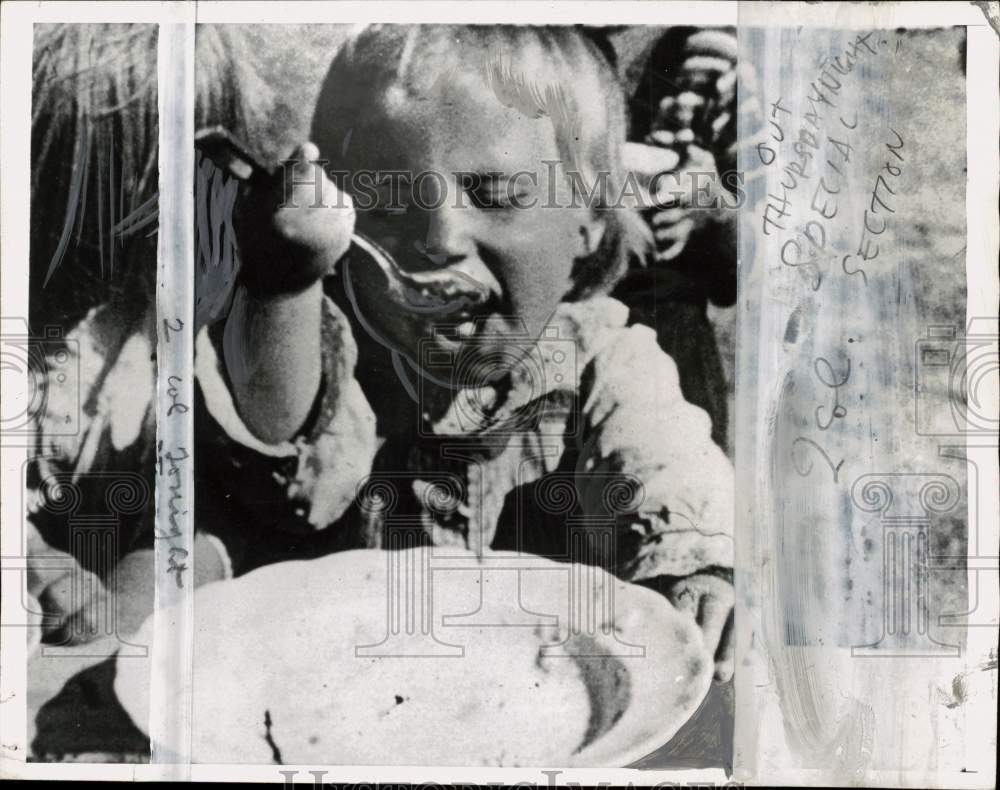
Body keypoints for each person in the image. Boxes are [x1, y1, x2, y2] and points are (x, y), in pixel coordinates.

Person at [193, 24, 736, 680]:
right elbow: (286, 461)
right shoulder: (340, 354)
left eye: (496, 195)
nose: (440, 238)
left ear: (589, 218)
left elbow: (665, 462)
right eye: (390, 202)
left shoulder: (603, 358)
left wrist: (695, 567)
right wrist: (285, 284)